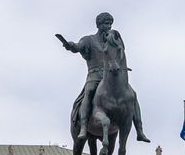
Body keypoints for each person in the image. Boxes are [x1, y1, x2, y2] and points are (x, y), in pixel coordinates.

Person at [56, 12, 149, 142]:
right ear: (99, 25)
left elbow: (121, 52)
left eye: (110, 24)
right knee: (89, 93)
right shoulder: (88, 40)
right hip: (94, 75)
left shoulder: (112, 40)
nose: (109, 26)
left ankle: (139, 130)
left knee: (133, 95)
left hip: (112, 76)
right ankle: (83, 127)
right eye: (106, 24)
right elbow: (77, 47)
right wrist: (71, 45)